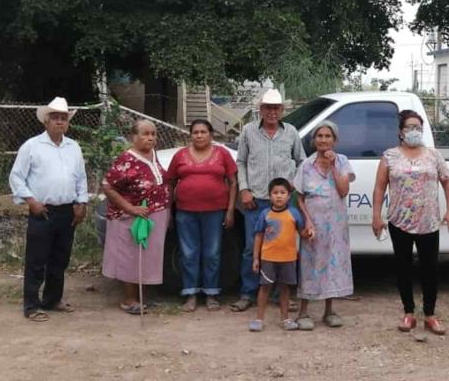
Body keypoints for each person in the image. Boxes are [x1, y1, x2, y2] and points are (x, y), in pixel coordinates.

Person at [372, 110, 449, 336]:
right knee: (403, 268)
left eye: (418, 127)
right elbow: (380, 187)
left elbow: (448, 182)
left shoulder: (433, 155)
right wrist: (376, 215)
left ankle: (430, 314)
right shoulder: (390, 156)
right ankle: (408, 313)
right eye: (409, 127)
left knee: (430, 269)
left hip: (428, 222)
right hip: (399, 221)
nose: (414, 131)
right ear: (400, 132)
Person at [9, 97, 88, 322]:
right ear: (46, 121)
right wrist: (31, 200)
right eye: (55, 118)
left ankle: (53, 299)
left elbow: (80, 178)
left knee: (60, 258)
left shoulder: (74, 147)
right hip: (42, 211)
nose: (60, 122)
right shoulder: (32, 146)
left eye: (64, 118)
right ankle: (32, 305)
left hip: (67, 211)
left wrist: (81, 203)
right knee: (36, 259)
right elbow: (16, 177)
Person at [232, 89, 306, 313]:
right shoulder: (248, 131)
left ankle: (278, 294)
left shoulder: (291, 132)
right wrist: (244, 190)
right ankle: (247, 293)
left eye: (276, 108)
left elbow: (301, 161)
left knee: (283, 248)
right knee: (250, 248)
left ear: (282, 110)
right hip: (256, 201)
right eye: (267, 108)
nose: (272, 112)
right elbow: (241, 162)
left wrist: (292, 183)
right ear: (261, 110)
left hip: (284, 204)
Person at [101, 119, 172, 314]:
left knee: (148, 257)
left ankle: (142, 296)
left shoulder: (152, 155)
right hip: (130, 217)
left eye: (153, 134)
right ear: (134, 137)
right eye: (145, 134)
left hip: (154, 215)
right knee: (130, 257)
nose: (150, 138)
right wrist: (130, 208)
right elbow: (107, 186)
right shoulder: (126, 159)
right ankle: (129, 299)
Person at [168, 119, 238, 312]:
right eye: (195, 132)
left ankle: (211, 294)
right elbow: (171, 182)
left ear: (211, 135)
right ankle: (190, 294)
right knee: (188, 253)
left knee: (212, 253)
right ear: (190, 135)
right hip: (185, 212)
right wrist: (169, 211)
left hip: (215, 212)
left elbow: (233, 182)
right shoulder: (180, 155)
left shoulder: (222, 154)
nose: (199, 135)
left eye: (203, 132)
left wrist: (230, 210)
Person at [293, 121, 356, 330]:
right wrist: (307, 220)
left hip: (336, 223)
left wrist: (334, 166)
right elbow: (299, 197)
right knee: (310, 264)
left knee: (333, 263)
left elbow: (343, 190)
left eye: (328, 136)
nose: (323, 140)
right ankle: (303, 312)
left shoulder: (343, 161)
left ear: (334, 140)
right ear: (314, 140)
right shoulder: (306, 165)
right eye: (319, 136)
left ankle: (330, 311)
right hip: (314, 223)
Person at [249, 178, 307, 332]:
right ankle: (259, 318)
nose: (279, 196)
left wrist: (308, 232)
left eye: (283, 193)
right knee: (265, 288)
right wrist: (256, 258)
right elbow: (258, 236)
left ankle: (285, 318)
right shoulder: (265, 214)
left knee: (284, 289)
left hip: (288, 259)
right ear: (269, 196)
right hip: (268, 258)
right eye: (275, 193)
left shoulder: (294, 213)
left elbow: (302, 232)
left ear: (289, 196)